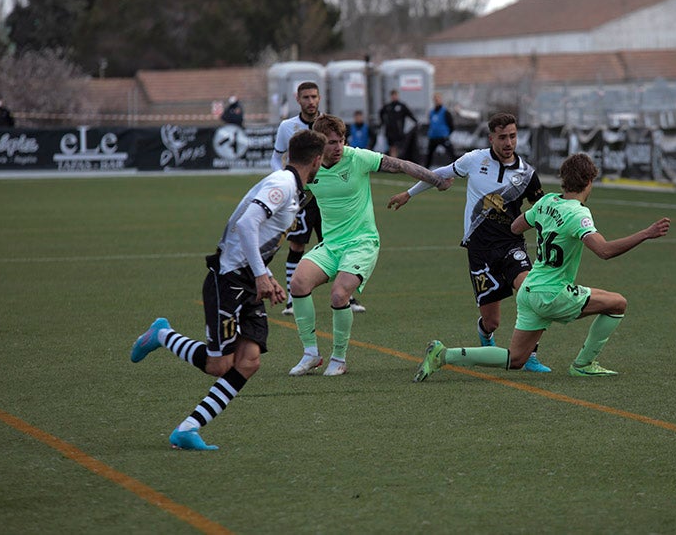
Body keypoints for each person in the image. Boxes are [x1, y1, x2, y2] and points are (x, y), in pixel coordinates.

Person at [129, 129, 326, 451]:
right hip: (228, 277)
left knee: (249, 361)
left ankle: (187, 429)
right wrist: (262, 276)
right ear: (316, 160)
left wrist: (266, 277)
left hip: (248, 280)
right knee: (218, 365)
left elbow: (260, 236)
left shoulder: (293, 188)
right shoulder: (282, 185)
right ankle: (161, 335)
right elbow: (246, 225)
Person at [413, 152, 671, 382]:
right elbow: (604, 251)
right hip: (552, 294)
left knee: (515, 359)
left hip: (530, 291)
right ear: (589, 182)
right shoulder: (578, 213)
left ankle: (444, 354)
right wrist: (646, 233)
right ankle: (583, 364)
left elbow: (515, 226)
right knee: (618, 304)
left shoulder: (547, 202)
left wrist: (545, 224)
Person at [288, 114, 451, 377]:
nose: (338, 147)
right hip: (331, 245)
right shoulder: (313, 167)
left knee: (340, 294)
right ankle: (310, 354)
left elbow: (400, 164)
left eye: (341, 140)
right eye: (331, 142)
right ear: (319, 144)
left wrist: (437, 180)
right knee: (297, 283)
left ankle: (338, 358)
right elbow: (304, 194)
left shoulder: (357, 158)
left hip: (362, 242)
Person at [388, 112, 551, 372]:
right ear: (491, 138)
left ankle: (530, 353)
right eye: (502, 138)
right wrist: (409, 193)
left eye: (512, 136)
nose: (508, 142)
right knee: (492, 321)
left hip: (512, 245)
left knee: (531, 293)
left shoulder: (527, 174)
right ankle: (486, 335)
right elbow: (441, 173)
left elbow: (541, 209)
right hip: (480, 249)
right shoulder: (475, 160)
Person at [271, 82, 366, 315]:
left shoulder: (330, 125)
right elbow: (276, 157)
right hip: (303, 196)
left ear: (320, 98)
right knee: (297, 243)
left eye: (314, 96)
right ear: (298, 99)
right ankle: (294, 299)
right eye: (306, 97)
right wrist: (285, 182)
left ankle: (347, 296)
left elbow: (343, 155)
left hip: (330, 195)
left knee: (339, 242)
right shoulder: (287, 127)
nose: (310, 101)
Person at [379, 89, 416, 158]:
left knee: (399, 148)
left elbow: (410, 114)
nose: (394, 97)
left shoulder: (401, 106)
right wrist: (383, 123)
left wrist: (416, 122)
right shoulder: (388, 106)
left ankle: (398, 161)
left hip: (399, 132)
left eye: (395, 95)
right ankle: (393, 161)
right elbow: (381, 113)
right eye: (393, 95)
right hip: (389, 132)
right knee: (391, 147)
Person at [425, 92, 457, 167]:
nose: (436, 100)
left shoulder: (445, 112)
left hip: (443, 137)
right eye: (435, 99)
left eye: (438, 99)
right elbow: (430, 123)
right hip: (433, 137)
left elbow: (451, 125)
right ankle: (426, 170)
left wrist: (447, 134)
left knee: (451, 153)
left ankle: (458, 168)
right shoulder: (431, 112)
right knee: (429, 155)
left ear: (441, 100)